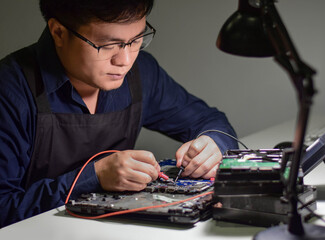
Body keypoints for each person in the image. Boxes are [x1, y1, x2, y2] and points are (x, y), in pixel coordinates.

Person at [0, 0, 238, 227]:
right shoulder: (10, 91)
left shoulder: (142, 72)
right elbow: (3, 208)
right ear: (59, 32)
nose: (124, 60)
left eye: (136, 40)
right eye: (107, 45)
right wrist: (94, 177)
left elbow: (210, 121)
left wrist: (212, 144)